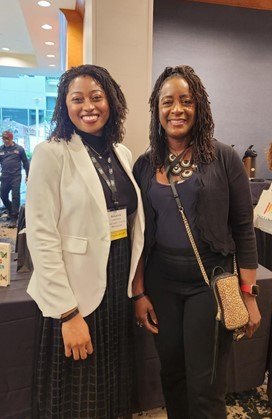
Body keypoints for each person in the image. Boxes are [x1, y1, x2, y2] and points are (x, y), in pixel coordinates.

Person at [132, 65, 261, 419]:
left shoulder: (224, 158)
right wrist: (140, 293)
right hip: (162, 284)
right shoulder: (145, 165)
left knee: (206, 385)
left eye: (186, 101)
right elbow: (139, 236)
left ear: (199, 107)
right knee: (172, 375)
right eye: (167, 102)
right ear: (157, 111)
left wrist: (249, 297)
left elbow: (243, 230)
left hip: (210, 282)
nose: (177, 109)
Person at [26, 64, 145, 419]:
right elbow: (41, 235)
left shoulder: (121, 152)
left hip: (117, 281)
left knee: (113, 383)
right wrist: (67, 313)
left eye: (97, 96)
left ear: (111, 102)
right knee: (80, 393)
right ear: (65, 105)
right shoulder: (52, 153)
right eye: (77, 99)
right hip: (76, 290)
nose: (88, 106)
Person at [0, 130, 29, 227]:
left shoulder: (19, 149)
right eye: (3, 138)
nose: (5, 140)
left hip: (15, 176)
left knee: (15, 196)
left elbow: (25, 163)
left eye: (7, 138)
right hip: (4, 176)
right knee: (3, 196)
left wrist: (28, 175)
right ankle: (11, 209)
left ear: (11, 138)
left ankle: (14, 218)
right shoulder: (1, 149)